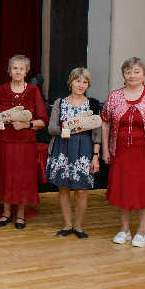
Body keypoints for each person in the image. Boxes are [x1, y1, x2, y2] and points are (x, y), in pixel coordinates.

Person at [101, 57, 145, 247]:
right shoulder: (114, 97)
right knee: (123, 191)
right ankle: (124, 230)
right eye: (128, 72)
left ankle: (142, 232)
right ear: (123, 75)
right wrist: (106, 149)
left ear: (144, 74)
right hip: (121, 154)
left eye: (136, 71)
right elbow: (105, 123)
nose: (132, 75)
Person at [0, 55, 48, 229]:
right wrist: (6, 120)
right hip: (4, 141)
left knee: (23, 178)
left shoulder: (34, 91)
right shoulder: (1, 90)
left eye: (21, 68)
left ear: (26, 71)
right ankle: (6, 213)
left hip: (25, 142)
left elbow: (43, 121)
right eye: (15, 68)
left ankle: (20, 214)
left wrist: (26, 124)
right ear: (9, 71)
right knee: (5, 177)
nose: (18, 71)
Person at [45, 68, 101, 239]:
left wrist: (95, 156)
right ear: (70, 82)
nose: (81, 85)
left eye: (85, 82)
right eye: (78, 81)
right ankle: (67, 225)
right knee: (63, 189)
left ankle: (78, 226)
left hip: (84, 149)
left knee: (81, 191)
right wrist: (71, 126)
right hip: (63, 147)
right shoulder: (60, 102)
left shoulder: (92, 104)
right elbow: (51, 129)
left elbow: (97, 133)